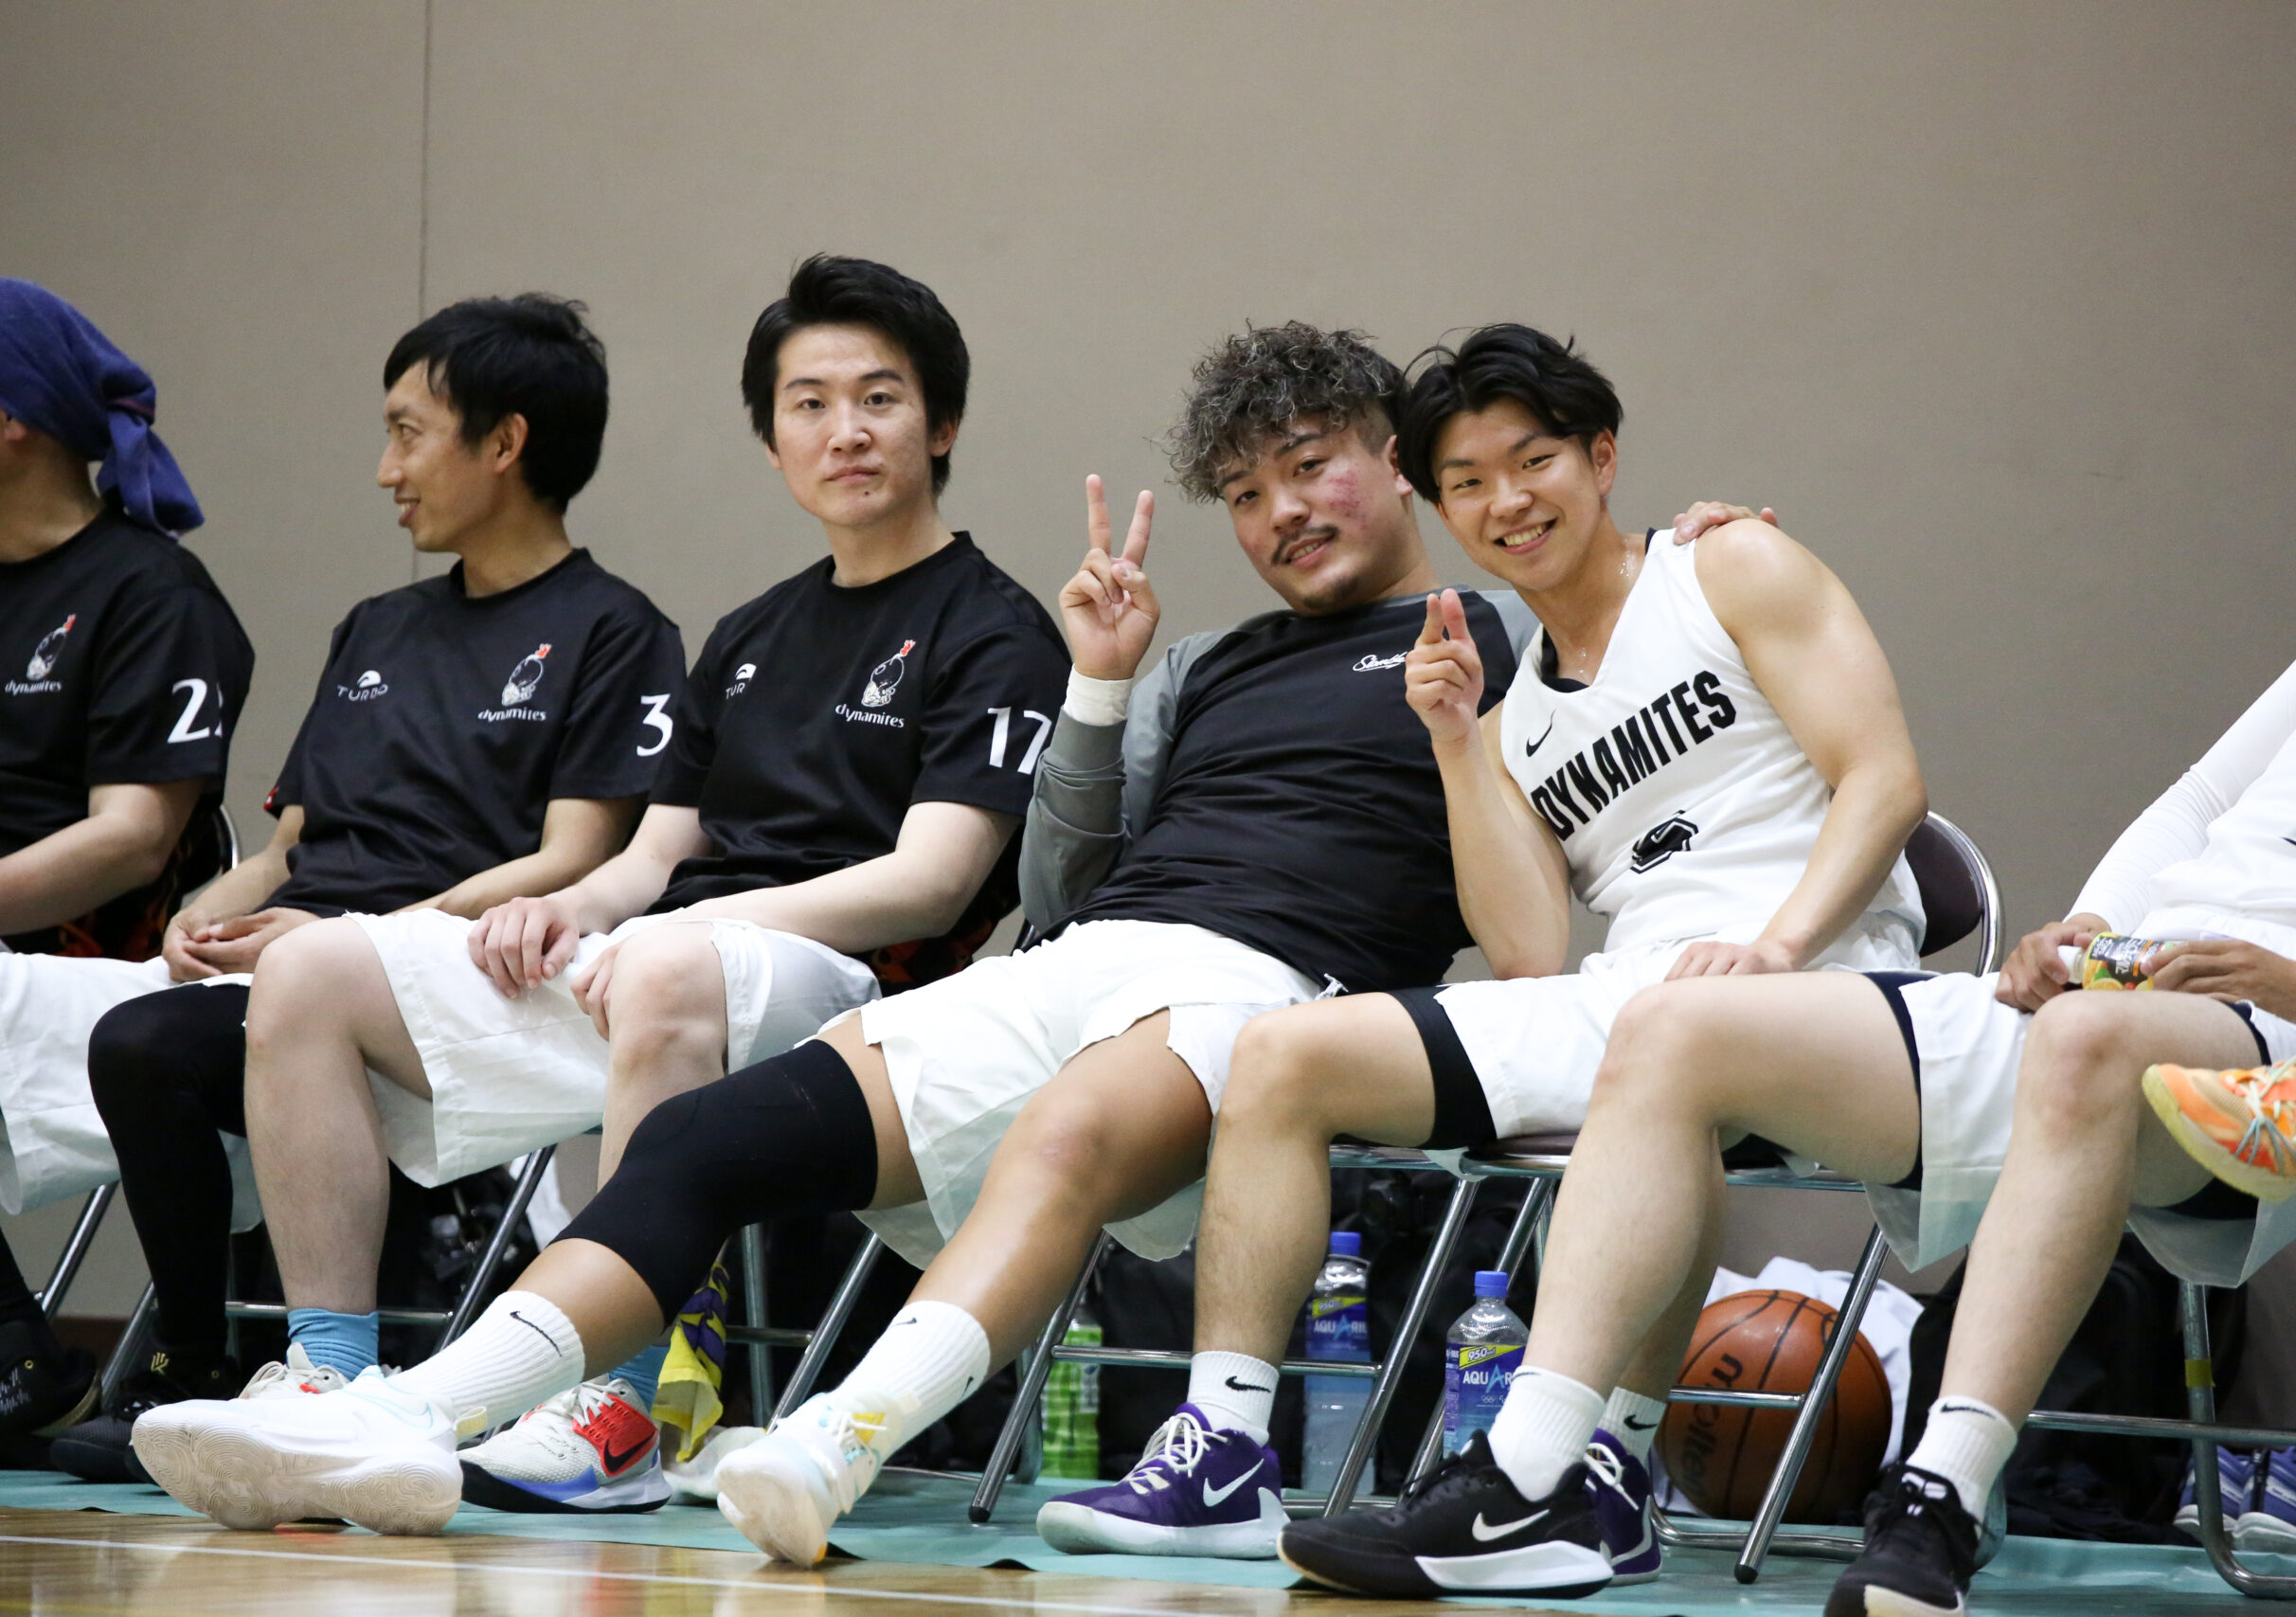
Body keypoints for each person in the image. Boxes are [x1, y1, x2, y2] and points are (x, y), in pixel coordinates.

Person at [131, 319, 1552, 1548]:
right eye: (1244, 492)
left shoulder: (1501, 637)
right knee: (699, 1141)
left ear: (1399, 463)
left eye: (1311, 467)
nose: (1281, 511)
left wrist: (1458, 733)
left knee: (1062, 1131)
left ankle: (835, 1439)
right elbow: (1059, 883)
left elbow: (1530, 926)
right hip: (1078, 959)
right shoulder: (1206, 664)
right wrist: (1103, 687)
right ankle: (399, 1418)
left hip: (1272, 987)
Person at [1276, 563, 2296, 1613]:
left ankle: (1940, 1501)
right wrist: (2088, 926)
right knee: (1673, 1025)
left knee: (2085, 1044)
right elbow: (2201, 798)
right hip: (2131, 988)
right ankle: (1537, 1481)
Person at [134, 254, 1068, 1516]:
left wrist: (676, 926)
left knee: (665, 960)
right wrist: (561, 909)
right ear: (773, 441)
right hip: (667, 968)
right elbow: (649, 856)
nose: (844, 430)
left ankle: (624, 1405)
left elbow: (929, 881)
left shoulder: (995, 628)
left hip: (859, 1005)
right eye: (808, 404)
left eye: (879, 398)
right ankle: (328, 1382)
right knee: (312, 967)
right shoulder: (749, 633)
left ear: (940, 424)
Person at [1053, 324, 1928, 1585]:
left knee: (1666, 1038)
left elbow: (1884, 778)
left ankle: (1551, 1472)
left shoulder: (1726, 564)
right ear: (1436, 500)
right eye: (1468, 480)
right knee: (1282, 1054)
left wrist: (1776, 944)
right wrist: (1460, 740)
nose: (1506, 500)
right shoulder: (1514, 703)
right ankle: (1224, 1449)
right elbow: (1527, 949)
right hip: (1645, 992)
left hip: (1828, 978)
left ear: (1601, 457)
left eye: (1533, 462)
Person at [46, 292, 685, 1479]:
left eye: (408, 433)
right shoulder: (375, 627)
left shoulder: (615, 629)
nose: (386, 469)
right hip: (306, 956)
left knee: (153, 1042)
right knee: (133, 1033)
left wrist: (348, 935)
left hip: (459, 978)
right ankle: (198, 1365)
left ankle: (242, 1364)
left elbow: (575, 857)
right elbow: (288, 847)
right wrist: (203, 914)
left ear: (505, 443)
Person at [0, 278, 254, 1434]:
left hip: (90, 947)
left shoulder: (150, 592)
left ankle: (17, 1358)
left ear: (14, 420)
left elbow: (134, 838)